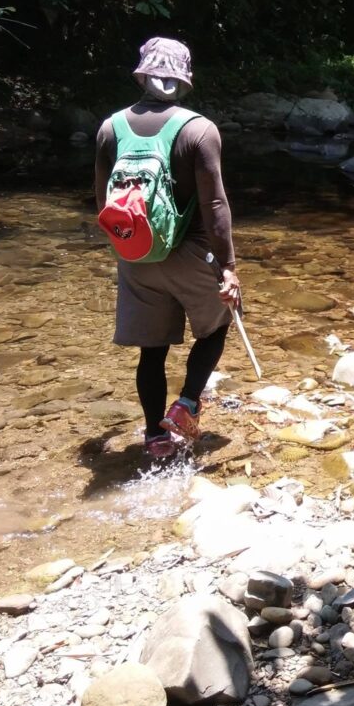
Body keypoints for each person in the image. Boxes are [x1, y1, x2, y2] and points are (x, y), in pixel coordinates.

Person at [95, 37, 241, 459]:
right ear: (184, 78)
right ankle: (186, 404)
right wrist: (228, 267)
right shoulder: (199, 130)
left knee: (152, 351)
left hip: (136, 254)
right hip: (193, 253)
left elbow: (102, 199)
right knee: (218, 325)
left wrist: (130, 250)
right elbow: (215, 203)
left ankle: (154, 438)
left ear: (142, 74)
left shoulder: (110, 128)